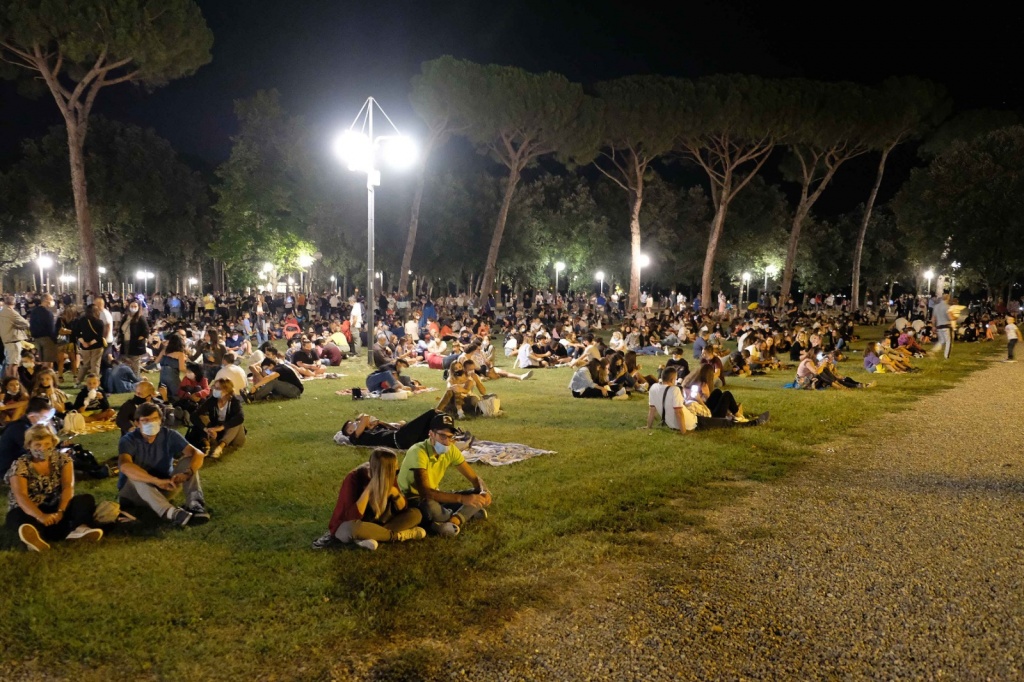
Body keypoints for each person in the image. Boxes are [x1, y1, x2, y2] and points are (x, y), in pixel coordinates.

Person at [5, 423, 102, 551]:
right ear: (29, 446)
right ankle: (35, 537)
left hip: (55, 506)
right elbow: (21, 496)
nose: (43, 449)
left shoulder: (63, 460)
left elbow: (68, 486)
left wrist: (61, 511)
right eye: (37, 445)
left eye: (46, 444)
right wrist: (40, 516)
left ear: (53, 443)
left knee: (85, 499)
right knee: (16, 515)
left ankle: (80, 529)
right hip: (31, 509)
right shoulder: (20, 464)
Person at [312, 449, 427, 550]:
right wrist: (368, 490)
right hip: (353, 525)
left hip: (380, 523)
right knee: (352, 528)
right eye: (394, 471)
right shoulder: (353, 478)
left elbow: (403, 509)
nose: (396, 474)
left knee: (416, 514)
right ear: (383, 472)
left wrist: (395, 493)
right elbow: (351, 517)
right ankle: (400, 535)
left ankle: (371, 536)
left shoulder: (390, 478)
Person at [397, 413, 491, 537]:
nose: (447, 442)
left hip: (435, 496)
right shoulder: (418, 452)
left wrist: (484, 491)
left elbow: (474, 478)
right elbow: (426, 493)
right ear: (431, 434)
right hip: (413, 499)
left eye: (450, 437)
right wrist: (462, 499)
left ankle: (452, 520)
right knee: (430, 507)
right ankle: (465, 514)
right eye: (442, 436)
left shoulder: (450, 449)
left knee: (478, 496)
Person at [117, 403, 209, 526]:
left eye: (154, 419)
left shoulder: (169, 435)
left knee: (189, 460)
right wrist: (155, 481)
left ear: (161, 420)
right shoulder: (128, 440)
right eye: (145, 420)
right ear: (137, 423)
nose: (151, 423)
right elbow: (125, 466)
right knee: (135, 474)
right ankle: (170, 513)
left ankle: (195, 504)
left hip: (165, 486)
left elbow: (197, 453)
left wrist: (188, 472)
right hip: (134, 494)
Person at [338, 408, 470, 450]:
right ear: (350, 432)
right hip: (400, 439)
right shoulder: (355, 438)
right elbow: (365, 416)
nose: (356, 423)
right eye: (353, 425)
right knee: (432, 413)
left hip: (402, 436)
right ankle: (451, 437)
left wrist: (378, 423)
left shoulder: (369, 431)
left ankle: (451, 440)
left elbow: (391, 426)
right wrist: (365, 423)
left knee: (431, 424)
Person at [187, 378, 245, 459]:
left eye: (218, 388)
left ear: (226, 391)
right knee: (201, 416)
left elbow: (240, 417)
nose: (214, 390)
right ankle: (209, 443)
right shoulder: (213, 400)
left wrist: (220, 428)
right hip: (216, 430)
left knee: (236, 422)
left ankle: (220, 447)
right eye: (214, 387)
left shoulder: (234, 401)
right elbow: (194, 415)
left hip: (232, 433)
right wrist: (206, 429)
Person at [0, 397, 53, 475]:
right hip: (9, 469)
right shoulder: (21, 429)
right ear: (32, 416)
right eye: (44, 418)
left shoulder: (28, 425)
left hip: (19, 462)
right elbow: (34, 453)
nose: (47, 421)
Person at [645, 366, 695, 433]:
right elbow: (678, 412)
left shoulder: (653, 388)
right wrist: (683, 432)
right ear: (672, 380)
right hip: (689, 424)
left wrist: (648, 426)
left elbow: (652, 410)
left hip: (670, 424)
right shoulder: (674, 390)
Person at [75, 304, 106, 385]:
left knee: (84, 365)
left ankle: (78, 381)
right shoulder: (99, 322)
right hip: (97, 346)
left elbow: (76, 333)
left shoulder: (81, 320)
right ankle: (94, 383)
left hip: (84, 347)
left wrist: (84, 343)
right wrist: (90, 343)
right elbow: (99, 336)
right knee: (95, 365)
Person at [0, 294, 30, 378]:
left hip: (5, 340)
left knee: (9, 363)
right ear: (14, 303)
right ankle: (11, 380)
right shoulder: (12, 313)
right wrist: (19, 326)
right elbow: (26, 323)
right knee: (13, 364)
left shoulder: (1, 312)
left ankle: (8, 381)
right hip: (13, 340)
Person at [118, 299, 151, 376]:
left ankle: (136, 379)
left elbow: (146, 331)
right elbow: (121, 328)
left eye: (135, 306)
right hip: (125, 342)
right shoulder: (126, 317)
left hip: (135, 344)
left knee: (135, 363)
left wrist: (139, 339)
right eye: (132, 306)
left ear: (138, 307)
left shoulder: (141, 318)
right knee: (125, 361)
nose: (133, 308)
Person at [28, 293, 59, 369]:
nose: (52, 301)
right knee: (48, 361)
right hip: (47, 339)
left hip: (37, 338)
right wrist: (55, 340)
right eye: (51, 299)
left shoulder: (34, 311)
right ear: (46, 300)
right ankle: (47, 376)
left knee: (42, 360)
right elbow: (51, 328)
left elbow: (31, 324)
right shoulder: (48, 313)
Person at [155, 333, 188, 399]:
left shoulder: (164, 351)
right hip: (172, 377)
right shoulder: (180, 354)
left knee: (162, 395)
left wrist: (160, 368)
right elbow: (182, 368)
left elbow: (156, 362)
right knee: (177, 396)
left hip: (163, 376)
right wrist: (189, 372)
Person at [932, 293, 952, 359]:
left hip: (938, 326)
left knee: (942, 340)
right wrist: (953, 318)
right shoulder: (947, 306)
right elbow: (949, 317)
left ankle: (934, 350)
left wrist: (933, 326)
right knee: (948, 341)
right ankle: (946, 356)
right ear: (947, 298)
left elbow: (933, 318)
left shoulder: (936, 306)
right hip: (946, 325)